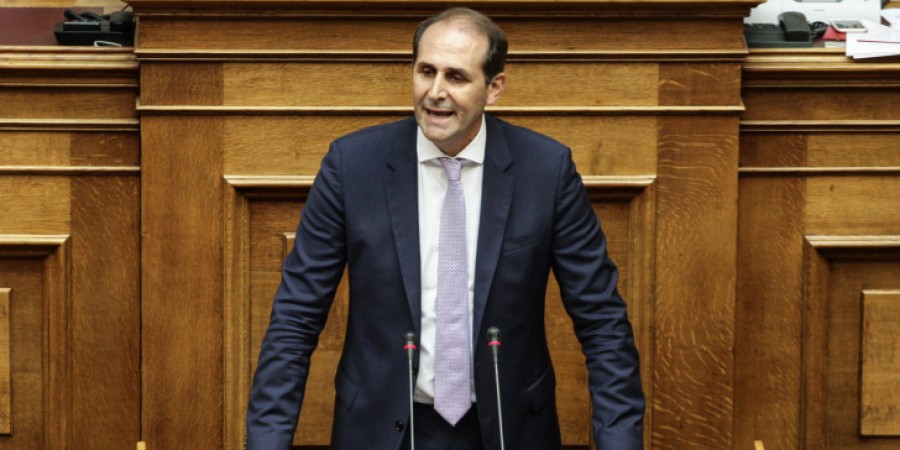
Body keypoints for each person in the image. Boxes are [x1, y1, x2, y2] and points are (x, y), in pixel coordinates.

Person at [246, 7, 644, 450]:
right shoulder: (352, 165)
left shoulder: (546, 170)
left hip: (508, 428)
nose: (435, 92)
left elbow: (602, 323)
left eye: (456, 77)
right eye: (426, 71)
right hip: (381, 430)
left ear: (494, 87)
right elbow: (296, 318)